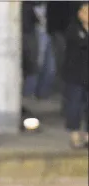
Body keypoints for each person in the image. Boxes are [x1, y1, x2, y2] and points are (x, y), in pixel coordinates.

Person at [63, 2, 88, 149]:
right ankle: (74, 135)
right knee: (74, 105)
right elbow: (80, 44)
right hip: (75, 76)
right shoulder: (73, 30)